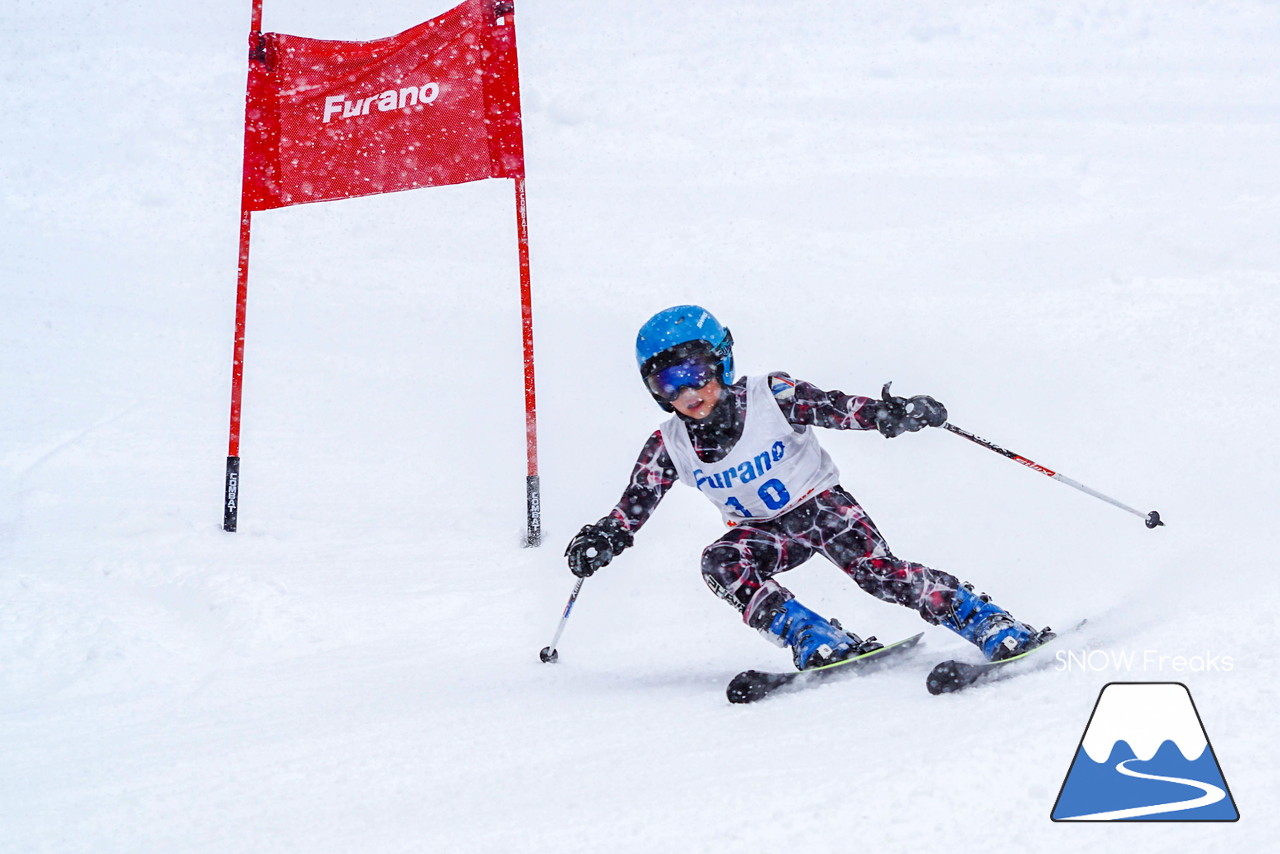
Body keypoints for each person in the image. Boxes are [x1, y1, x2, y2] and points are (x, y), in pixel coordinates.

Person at [564, 305, 1053, 671]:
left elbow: (837, 407)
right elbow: (631, 508)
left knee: (876, 574)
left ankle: (986, 621)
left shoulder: (770, 397)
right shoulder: (669, 445)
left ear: (721, 362)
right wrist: (603, 538)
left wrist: (891, 413)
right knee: (720, 561)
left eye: (695, 374)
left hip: (819, 509)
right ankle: (812, 635)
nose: (688, 394)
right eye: (668, 385)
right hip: (764, 533)